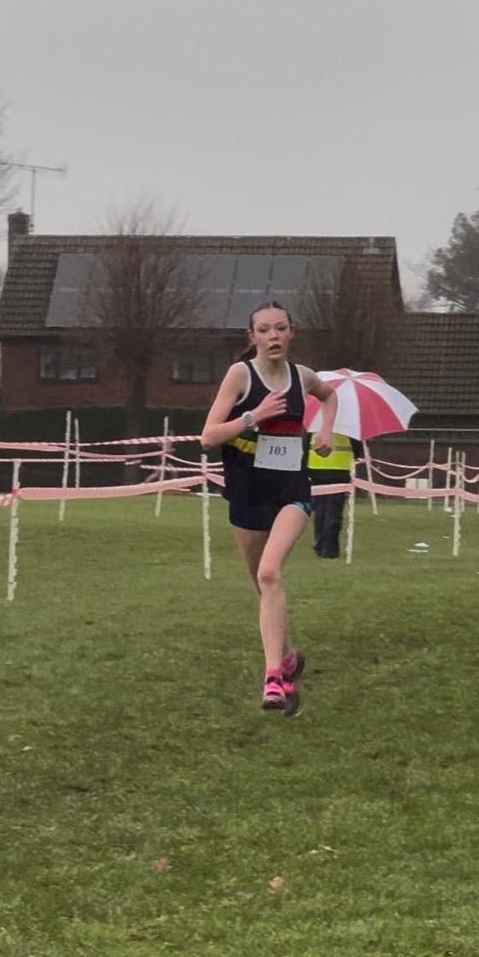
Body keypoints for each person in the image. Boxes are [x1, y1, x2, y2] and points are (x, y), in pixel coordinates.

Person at [200, 301, 336, 715]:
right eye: (264, 329)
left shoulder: (303, 377)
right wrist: (253, 417)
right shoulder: (240, 376)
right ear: (252, 336)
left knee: (270, 572)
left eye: (280, 328)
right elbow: (208, 437)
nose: (273, 336)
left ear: (292, 332)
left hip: (291, 489)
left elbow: (329, 398)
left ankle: (274, 677)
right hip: (246, 492)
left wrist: (326, 430)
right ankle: (289, 654)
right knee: (263, 584)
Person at [308, 431, 358, 559]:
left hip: (315, 465)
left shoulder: (316, 418)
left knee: (320, 509)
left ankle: (319, 544)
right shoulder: (348, 423)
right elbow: (357, 445)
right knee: (334, 511)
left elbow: (305, 438)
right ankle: (329, 549)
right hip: (339, 469)